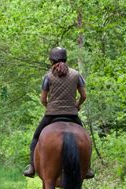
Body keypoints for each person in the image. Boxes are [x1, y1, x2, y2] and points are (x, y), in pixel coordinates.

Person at [23, 47, 94, 178]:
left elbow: (43, 99)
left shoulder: (48, 76)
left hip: (51, 115)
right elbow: (84, 95)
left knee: (35, 139)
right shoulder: (76, 74)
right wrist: (77, 105)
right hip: (72, 115)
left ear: (51, 60)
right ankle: (88, 168)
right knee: (86, 139)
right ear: (65, 58)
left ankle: (32, 167)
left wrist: (49, 106)